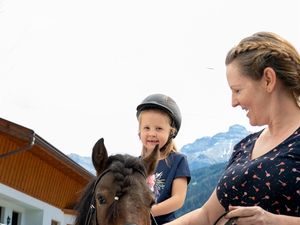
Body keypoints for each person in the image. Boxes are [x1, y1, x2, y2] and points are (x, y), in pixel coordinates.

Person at [165, 31, 300, 225]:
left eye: (238, 90)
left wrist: (276, 221)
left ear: (268, 80)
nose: (233, 102)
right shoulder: (244, 146)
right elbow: (206, 216)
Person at [136, 93, 191, 225]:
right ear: (139, 132)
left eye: (159, 128)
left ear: (171, 132)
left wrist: (148, 211)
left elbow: (178, 199)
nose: (152, 133)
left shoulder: (178, 161)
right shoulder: (135, 164)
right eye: (147, 128)